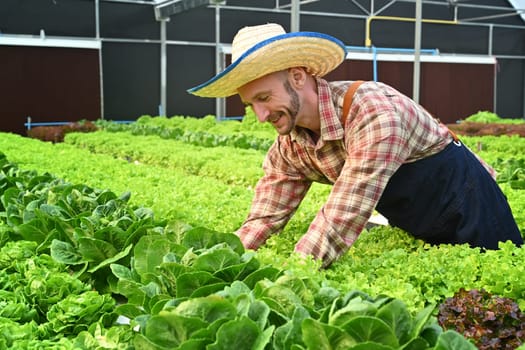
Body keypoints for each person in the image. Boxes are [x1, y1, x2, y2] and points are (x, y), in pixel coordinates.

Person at [188, 23, 523, 267]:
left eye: (264, 98)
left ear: (298, 76)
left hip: (469, 201)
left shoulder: (372, 110)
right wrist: (223, 264)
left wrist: (294, 274)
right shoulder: (290, 146)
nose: (260, 116)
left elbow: (345, 209)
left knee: (498, 292)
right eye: (251, 106)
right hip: (420, 216)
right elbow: (263, 218)